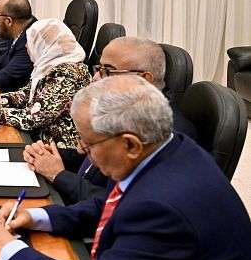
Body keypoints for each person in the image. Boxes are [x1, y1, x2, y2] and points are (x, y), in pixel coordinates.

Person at [0, 75, 251, 260]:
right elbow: (109, 205)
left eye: (88, 143)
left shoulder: (161, 209)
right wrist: (37, 217)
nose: (81, 150)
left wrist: (10, 250)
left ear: (130, 144)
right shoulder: (168, 148)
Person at [24, 36, 200, 204]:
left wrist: (58, 175)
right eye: (99, 69)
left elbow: (118, 203)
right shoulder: (127, 110)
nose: (95, 78)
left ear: (144, 79)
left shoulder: (162, 134)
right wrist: (49, 156)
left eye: (107, 71)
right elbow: (93, 165)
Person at [0, 19, 90, 171]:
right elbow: (24, 96)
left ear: (44, 45)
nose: (26, 46)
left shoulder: (68, 75)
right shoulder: (51, 65)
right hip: (40, 142)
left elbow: (32, 118)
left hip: (60, 153)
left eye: (30, 42)